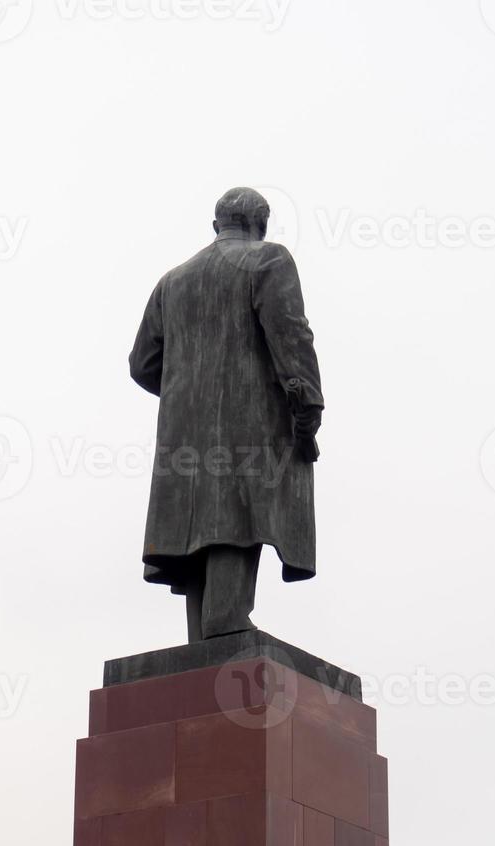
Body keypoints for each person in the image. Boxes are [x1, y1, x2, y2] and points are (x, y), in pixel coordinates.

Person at [129, 187, 324, 641]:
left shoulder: (172, 282)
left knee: (199, 523)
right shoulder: (269, 260)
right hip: (250, 420)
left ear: (217, 225)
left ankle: (206, 637)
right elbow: (291, 336)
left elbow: (142, 364)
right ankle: (227, 620)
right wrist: (308, 404)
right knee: (240, 511)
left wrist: (188, 390)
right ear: (260, 225)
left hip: (183, 429)